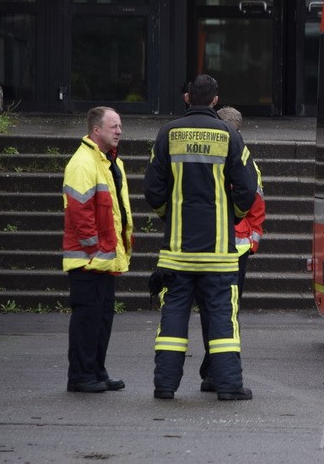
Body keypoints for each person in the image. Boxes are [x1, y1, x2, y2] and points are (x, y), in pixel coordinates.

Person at [144, 74, 258, 401]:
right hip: (219, 254)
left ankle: (165, 386)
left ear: (186, 98)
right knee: (222, 320)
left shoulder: (167, 134)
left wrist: (171, 215)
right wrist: (232, 216)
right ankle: (228, 386)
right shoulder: (229, 136)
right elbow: (248, 190)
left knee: (172, 321)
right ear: (214, 101)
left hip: (176, 254)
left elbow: (152, 190)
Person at [61, 106, 133, 393]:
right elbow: (80, 212)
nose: (119, 130)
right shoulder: (83, 163)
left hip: (103, 259)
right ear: (96, 130)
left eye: (120, 125)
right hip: (88, 259)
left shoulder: (108, 162)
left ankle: (96, 371)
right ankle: (80, 376)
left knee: (101, 319)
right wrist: (95, 248)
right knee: (87, 320)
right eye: (113, 126)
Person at [197, 106, 266, 392]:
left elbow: (255, 203)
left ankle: (213, 369)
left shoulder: (207, 157)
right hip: (232, 248)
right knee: (225, 313)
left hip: (213, 246)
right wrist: (250, 238)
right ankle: (218, 370)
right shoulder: (244, 160)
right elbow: (255, 205)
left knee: (213, 311)